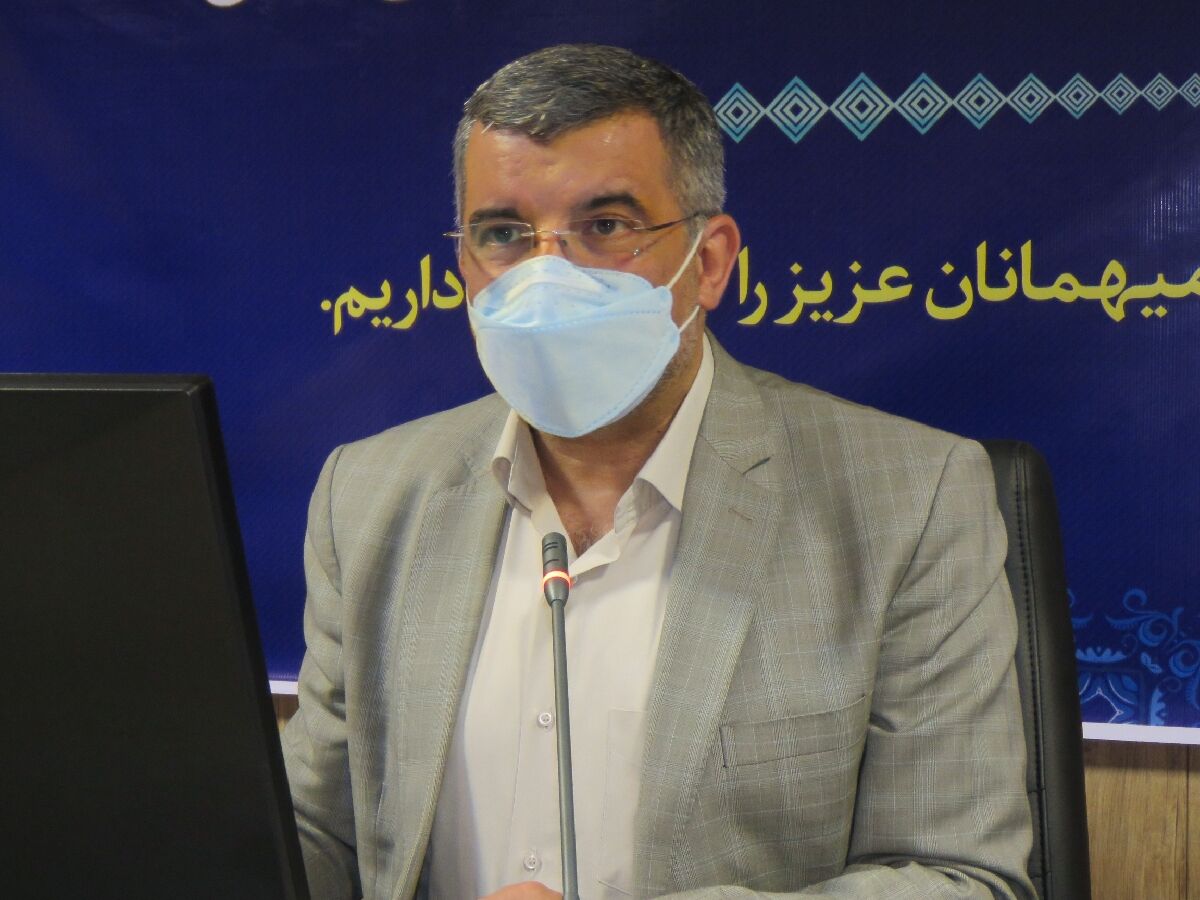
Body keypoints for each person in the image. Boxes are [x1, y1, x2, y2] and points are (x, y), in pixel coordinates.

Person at [282, 44, 1035, 899]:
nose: (546, 277)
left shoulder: (910, 500)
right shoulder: (368, 493)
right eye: (503, 235)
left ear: (708, 262)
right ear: (464, 264)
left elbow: (962, 878)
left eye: (605, 227)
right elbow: (316, 835)